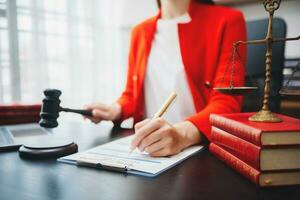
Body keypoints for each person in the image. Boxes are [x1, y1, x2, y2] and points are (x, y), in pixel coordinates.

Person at [85, 0, 246, 157]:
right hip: (146, 152)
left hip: (199, 154)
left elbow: (227, 102)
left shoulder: (228, 21)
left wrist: (182, 134)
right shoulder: (139, 32)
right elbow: (132, 94)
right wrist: (115, 109)